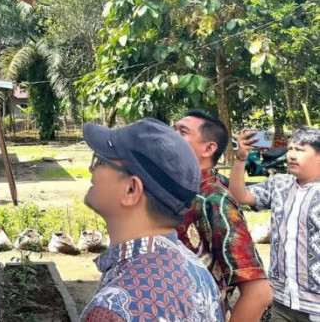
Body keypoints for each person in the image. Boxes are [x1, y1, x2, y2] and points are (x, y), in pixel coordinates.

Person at [80, 118, 223, 322]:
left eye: (101, 161)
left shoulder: (110, 310)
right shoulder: (197, 271)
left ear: (131, 189)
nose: (90, 169)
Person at [174, 110, 272, 321]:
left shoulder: (214, 200)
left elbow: (258, 292)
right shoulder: (170, 192)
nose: (171, 136)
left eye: (181, 131)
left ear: (209, 148)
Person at [229, 127, 320, 322]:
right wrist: (240, 159)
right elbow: (240, 196)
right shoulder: (279, 184)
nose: (292, 155)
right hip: (282, 302)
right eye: (291, 149)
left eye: (301, 150)